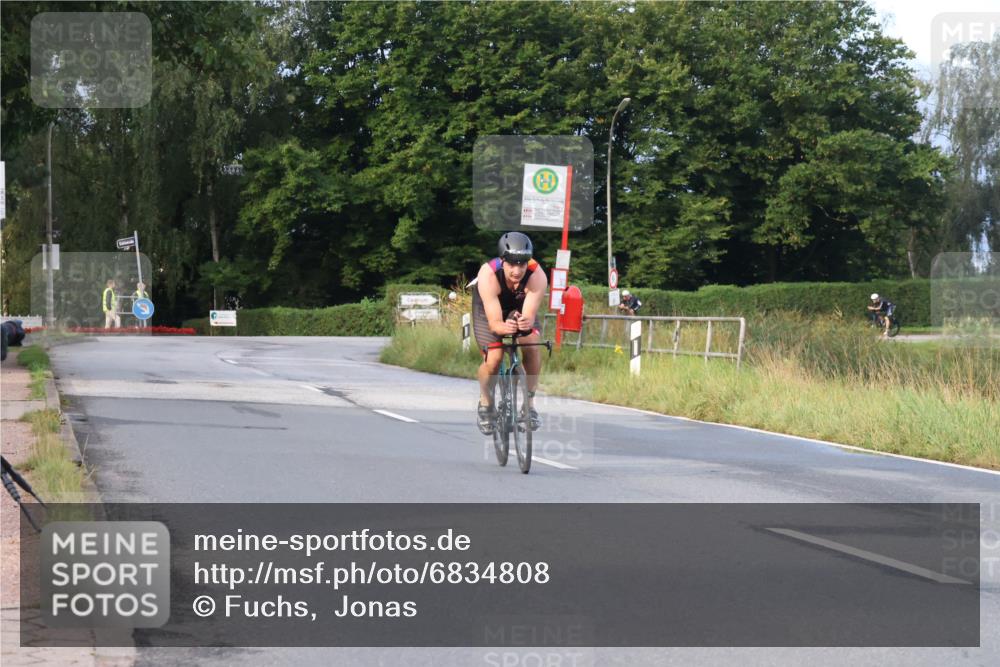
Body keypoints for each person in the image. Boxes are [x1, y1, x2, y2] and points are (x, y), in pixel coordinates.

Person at [471, 232, 548, 434]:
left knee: (532, 343)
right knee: (494, 358)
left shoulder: (537, 275)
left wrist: (524, 323)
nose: (517, 270)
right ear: (502, 261)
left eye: (522, 264)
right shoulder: (487, 274)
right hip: (488, 310)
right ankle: (486, 403)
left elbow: (529, 317)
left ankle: (528, 407)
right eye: (512, 264)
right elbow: (495, 323)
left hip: (518, 306)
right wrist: (502, 327)